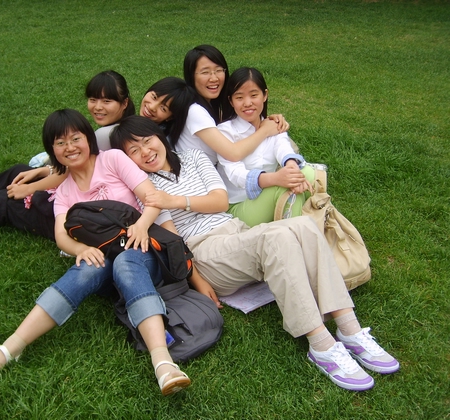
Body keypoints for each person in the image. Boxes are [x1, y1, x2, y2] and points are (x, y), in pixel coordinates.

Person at [109, 116, 400, 392]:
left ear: (159, 136)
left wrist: (174, 200)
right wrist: (198, 280)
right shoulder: (144, 187)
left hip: (236, 231)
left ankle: (350, 328)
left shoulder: (193, 157)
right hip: (204, 250)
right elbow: (174, 240)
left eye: (147, 141)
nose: (145, 152)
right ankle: (320, 343)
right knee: (275, 236)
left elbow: (220, 201)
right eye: (133, 151)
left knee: (303, 225)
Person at [0, 109, 191, 396]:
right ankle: (7, 351)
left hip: (145, 251)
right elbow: (61, 236)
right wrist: (81, 248)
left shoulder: (113, 160)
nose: (69, 147)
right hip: (107, 260)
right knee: (87, 267)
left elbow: (152, 199)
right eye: (60, 142)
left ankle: (163, 362)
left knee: (128, 261)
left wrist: (141, 225)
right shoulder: (64, 190)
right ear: (52, 150)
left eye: (75, 138)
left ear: (88, 138)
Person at [0, 70, 135, 240]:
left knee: (10, 199)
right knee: (19, 172)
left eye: (107, 101)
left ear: (124, 103)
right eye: (93, 99)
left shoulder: (107, 136)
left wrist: (30, 188)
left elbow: (73, 173)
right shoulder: (119, 128)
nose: (98, 107)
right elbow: (75, 168)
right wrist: (43, 171)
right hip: (83, 191)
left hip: (84, 205)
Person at [217, 67, 315, 227]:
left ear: (265, 95)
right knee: (286, 187)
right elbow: (236, 174)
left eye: (254, 95)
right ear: (231, 101)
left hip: (270, 194)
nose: (247, 103)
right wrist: (276, 178)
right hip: (239, 207)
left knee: (306, 173)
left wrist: (291, 167)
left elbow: (283, 147)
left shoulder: (273, 124)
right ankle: (295, 233)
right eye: (239, 97)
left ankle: (292, 232)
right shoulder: (225, 132)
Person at [177, 45, 289, 165]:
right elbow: (233, 154)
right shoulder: (195, 111)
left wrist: (271, 121)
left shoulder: (212, 106)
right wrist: (265, 130)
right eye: (205, 72)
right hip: (196, 174)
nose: (214, 78)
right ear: (191, 76)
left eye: (219, 70)